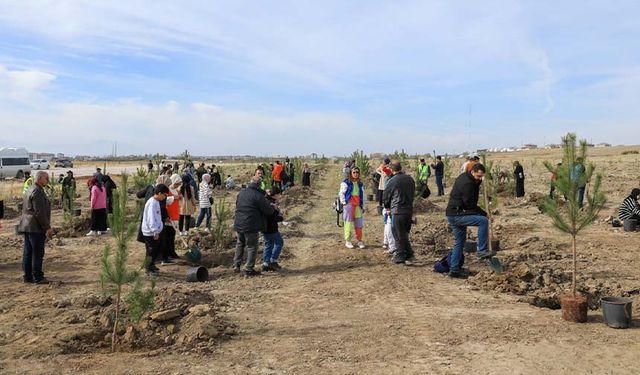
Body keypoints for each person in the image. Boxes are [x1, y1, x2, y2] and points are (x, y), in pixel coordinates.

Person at [446, 163, 492, 279]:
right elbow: (470, 205)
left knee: (460, 242)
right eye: (477, 176)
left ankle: (454, 270)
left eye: (481, 177)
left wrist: (479, 182)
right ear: (472, 172)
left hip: (454, 213)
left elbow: (470, 203)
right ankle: (481, 250)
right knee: (483, 221)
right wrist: (485, 214)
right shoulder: (467, 184)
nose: (479, 179)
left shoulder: (468, 178)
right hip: (457, 214)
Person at [233, 176, 275, 276]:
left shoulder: (242, 192)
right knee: (252, 246)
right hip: (251, 225)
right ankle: (249, 269)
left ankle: (236, 265)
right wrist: (272, 208)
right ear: (260, 185)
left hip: (239, 223)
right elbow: (268, 211)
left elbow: (237, 204)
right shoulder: (258, 195)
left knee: (240, 244)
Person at [17, 171, 53, 284]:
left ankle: (27, 276)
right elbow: (39, 213)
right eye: (46, 178)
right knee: (37, 253)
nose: (48, 180)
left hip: (28, 226)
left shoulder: (31, 188)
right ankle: (37, 277)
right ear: (40, 178)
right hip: (35, 227)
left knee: (28, 251)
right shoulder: (37, 191)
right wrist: (47, 227)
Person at [383, 161, 416, 265]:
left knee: (397, 233)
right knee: (404, 233)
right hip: (408, 210)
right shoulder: (410, 179)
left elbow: (386, 196)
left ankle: (400, 256)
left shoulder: (392, 181)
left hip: (397, 210)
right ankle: (410, 254)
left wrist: (387, 207)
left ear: (392, 170)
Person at [141, 184, 169, 276]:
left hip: (156, 230)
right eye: (165, 195)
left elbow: (157, 216)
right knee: (151, 251)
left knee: (156, 250)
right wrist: (155, 231)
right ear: (160, 193)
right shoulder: (152, 203)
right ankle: (148, 270)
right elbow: (151, 219)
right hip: (150, 232)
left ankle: (152, 265)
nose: (165, 197)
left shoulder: (157, 202)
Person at [339, 166, 365, 249]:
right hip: (349, 206)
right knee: (348, 224)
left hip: (358, 206)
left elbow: (362, 195)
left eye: (357, 172)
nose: (356, 174)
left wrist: (363, 206)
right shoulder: (346, 183)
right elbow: (341, 193)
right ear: (350, 173)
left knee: (359, 224)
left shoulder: (360, 184)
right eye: (354, 172)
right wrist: (344, 203)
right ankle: (348, 241)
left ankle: (360, 240)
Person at [261, 187, 285, 272]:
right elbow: (272, 217)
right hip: (271, 227)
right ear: (275, 194)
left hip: (265, 227)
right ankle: (273, 260)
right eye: (279, 194)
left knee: (269, 244)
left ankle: (266, 263)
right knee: (279, 242)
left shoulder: (266, 201)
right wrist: (281, 217)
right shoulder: (271, 204)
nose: (280, 196)